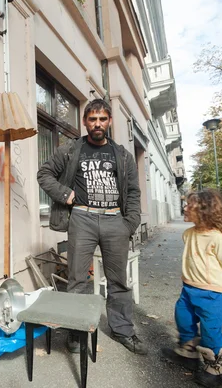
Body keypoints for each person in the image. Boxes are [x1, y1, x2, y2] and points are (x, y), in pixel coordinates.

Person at [37, 98, 146, 355]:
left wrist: (128, 223)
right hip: (82, 219)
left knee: (118, 280)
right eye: (92, 119)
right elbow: (45, 174)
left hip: (114, 221)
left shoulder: (122, 154)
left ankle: (123, 330)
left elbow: (132, 191)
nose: (97, 124)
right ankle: (76, 331)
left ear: (109, 121)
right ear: (85, 122)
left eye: (102, 119)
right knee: (77, 278)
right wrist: (66, 195)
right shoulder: (71, 150)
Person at [163, 189, 222, 388]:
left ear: (204, 211)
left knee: (210, 330)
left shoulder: (217, 239)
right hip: (189, 288)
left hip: (213, 293)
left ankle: (217, 371)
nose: (184, 208)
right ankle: (188, 353)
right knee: (183, 318)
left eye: (189, 206)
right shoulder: (189, 234)